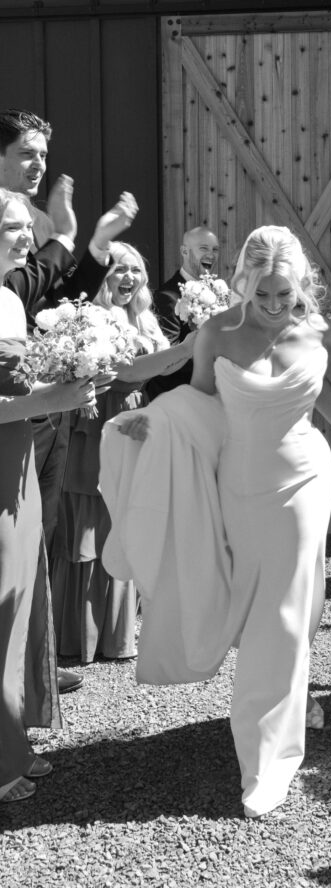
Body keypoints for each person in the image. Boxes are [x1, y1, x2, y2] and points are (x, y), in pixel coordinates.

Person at [100, 225, 331, 818]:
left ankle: (267, 758)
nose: (279, 306)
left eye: (287, 294)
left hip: (307, 482)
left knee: (283, 614)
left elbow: (329, 404)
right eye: (266, 295)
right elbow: (200, 403)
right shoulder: (217, 332)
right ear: (246, 283)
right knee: (267, 608)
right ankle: (289, 703)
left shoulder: (316, 329)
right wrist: (154, 424)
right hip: (241, 485)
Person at [1, 107, 138, 693]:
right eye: (27, 152)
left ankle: (33, 665)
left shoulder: (30, 218)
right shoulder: (25, 226)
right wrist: (63, 236)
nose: (38, 165)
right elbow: (18, 290)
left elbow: (50, 298)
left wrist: (97, 244)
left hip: (45, 408)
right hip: (12, 413)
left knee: (42, 533)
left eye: (43, 155)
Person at [51, 242, 195, 663]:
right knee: (91, 523)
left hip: (131, 422)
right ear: (101, 276)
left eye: (135, 270)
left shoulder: (143, 319)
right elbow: (127, 372)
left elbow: (161, 369)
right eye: (117, 269)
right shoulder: (91, 318)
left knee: (124, 519)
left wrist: (191, 344)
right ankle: (78, 635)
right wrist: (189, 347)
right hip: (95, 428)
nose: (127, 277)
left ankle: (118, 633)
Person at [0, 189, 97, 805]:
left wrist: (74, 378)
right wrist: (48, 402)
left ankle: (13, 738)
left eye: (23, 226)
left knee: (21, 602)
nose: (23, 235)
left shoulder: (9, 300)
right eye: (9, 226)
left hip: (17, 467)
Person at [146, 225, 220, 399]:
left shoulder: (218, 292)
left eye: (215, 249)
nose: (211, 255)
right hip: (177, 396)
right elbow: (167, 355)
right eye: (204, 248)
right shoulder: (167, 296)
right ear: (184, 251)